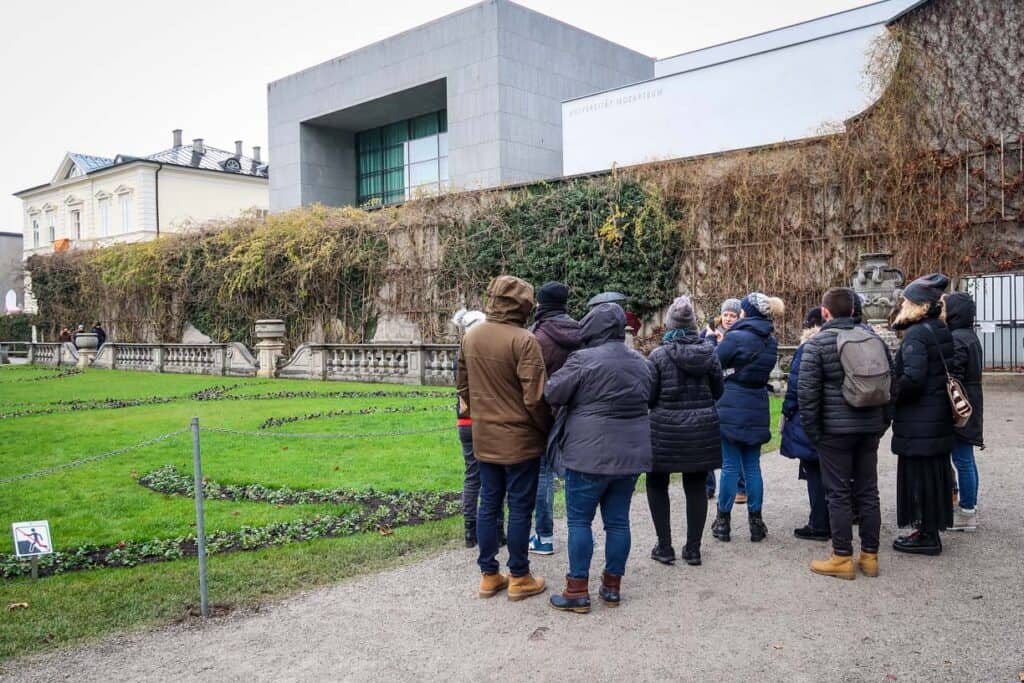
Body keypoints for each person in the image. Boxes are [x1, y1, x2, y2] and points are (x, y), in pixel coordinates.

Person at [545, 303, 652, 613]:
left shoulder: (582, 360)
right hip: (630, 455)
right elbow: (651, 396)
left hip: (587, 454)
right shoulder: (642, 363)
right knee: (618, 522)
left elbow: (552, 392)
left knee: (580, 521)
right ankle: (612, 586)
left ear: (592, 328)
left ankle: (577, 589)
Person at [457, 275, 551, 601]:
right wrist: (544, 429)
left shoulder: (471, 337)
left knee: (489, 505)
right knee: (520, 507)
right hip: (521, 440)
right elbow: (535, 398)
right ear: (524, 305)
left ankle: (488, 574)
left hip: (485, 437)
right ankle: (520, 575)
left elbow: (462, 387)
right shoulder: (524, 340)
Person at [798, 288, 892, 579]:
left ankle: (841, 557)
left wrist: (815, 434)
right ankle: (870, 556)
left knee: (837, 494)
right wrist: (881, 424)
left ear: (825, 313)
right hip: (869, 428)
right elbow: (892, 385)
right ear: (853, 311)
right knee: (868, 492)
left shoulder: (817, 344)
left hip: (834, 432)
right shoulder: (875, 340)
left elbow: (807, 396)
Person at [646, 295, 724, 566]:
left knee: (657, 482)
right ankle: (693, 549)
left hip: (664, 430)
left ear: (669, 325)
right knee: (696, 485)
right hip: (700, 429)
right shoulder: (709, 352)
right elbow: (718, 390)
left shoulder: (657, 356)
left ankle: (664, 547)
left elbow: (649, 395)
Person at [890, 273, 958, 556]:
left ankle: (927, 536)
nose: (902, 303)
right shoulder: (939, 329)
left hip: (919, 420)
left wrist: (893, 391)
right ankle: (929, 529)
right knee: (933, 475)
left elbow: (914, 379)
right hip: (936, 417)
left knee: (920, 477)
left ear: (918, 304)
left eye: (906, 299)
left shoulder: (917, 334)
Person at [712, 292, 783, 543]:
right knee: (753, 466)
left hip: (731, 402)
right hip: (757, 403)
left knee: (730, 465)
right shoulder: (770, 342)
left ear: (747, 312)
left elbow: (714, 363)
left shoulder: (736, 337)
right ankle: (756, 522)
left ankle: (723, 522)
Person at [527, 281, 582, 556]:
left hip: (545, 411)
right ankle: (579, 532)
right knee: (575, 473)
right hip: (577, 412)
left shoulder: (536, 337)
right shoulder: (581, 332)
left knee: (542, 474)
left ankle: (544, 535)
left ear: (542, 304)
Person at [451, 308, 504, 548]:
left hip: (465, 420)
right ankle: (498, 530)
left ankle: (470, 533)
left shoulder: (460, 354)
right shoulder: (490, 355)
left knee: (472, 477)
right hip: (488, 421)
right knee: (497, 476)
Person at [780, 306, 830, 542]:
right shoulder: (839, 341)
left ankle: (819, 522)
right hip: (837, 418)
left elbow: (797, 385)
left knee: (815, 471)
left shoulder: (808, 347)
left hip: (812, 417)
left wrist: (787, 412)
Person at [943, 291, 984, 531]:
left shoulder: (956, 339)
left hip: (961, 405)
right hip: (971, 401)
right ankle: (969, 507)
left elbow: (952, 377)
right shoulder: (968, 336)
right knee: (965, 456)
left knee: (962, 457)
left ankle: (968, 511)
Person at [701, 298, 745, 500]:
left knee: (733, 440)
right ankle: (707, 487)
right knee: (708, 440)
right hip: (711, 392)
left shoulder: (741, 337)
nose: (728, 319)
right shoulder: (708, 334)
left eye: (732, 315)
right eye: (726, 315)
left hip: (732, 392)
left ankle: (740, 487)